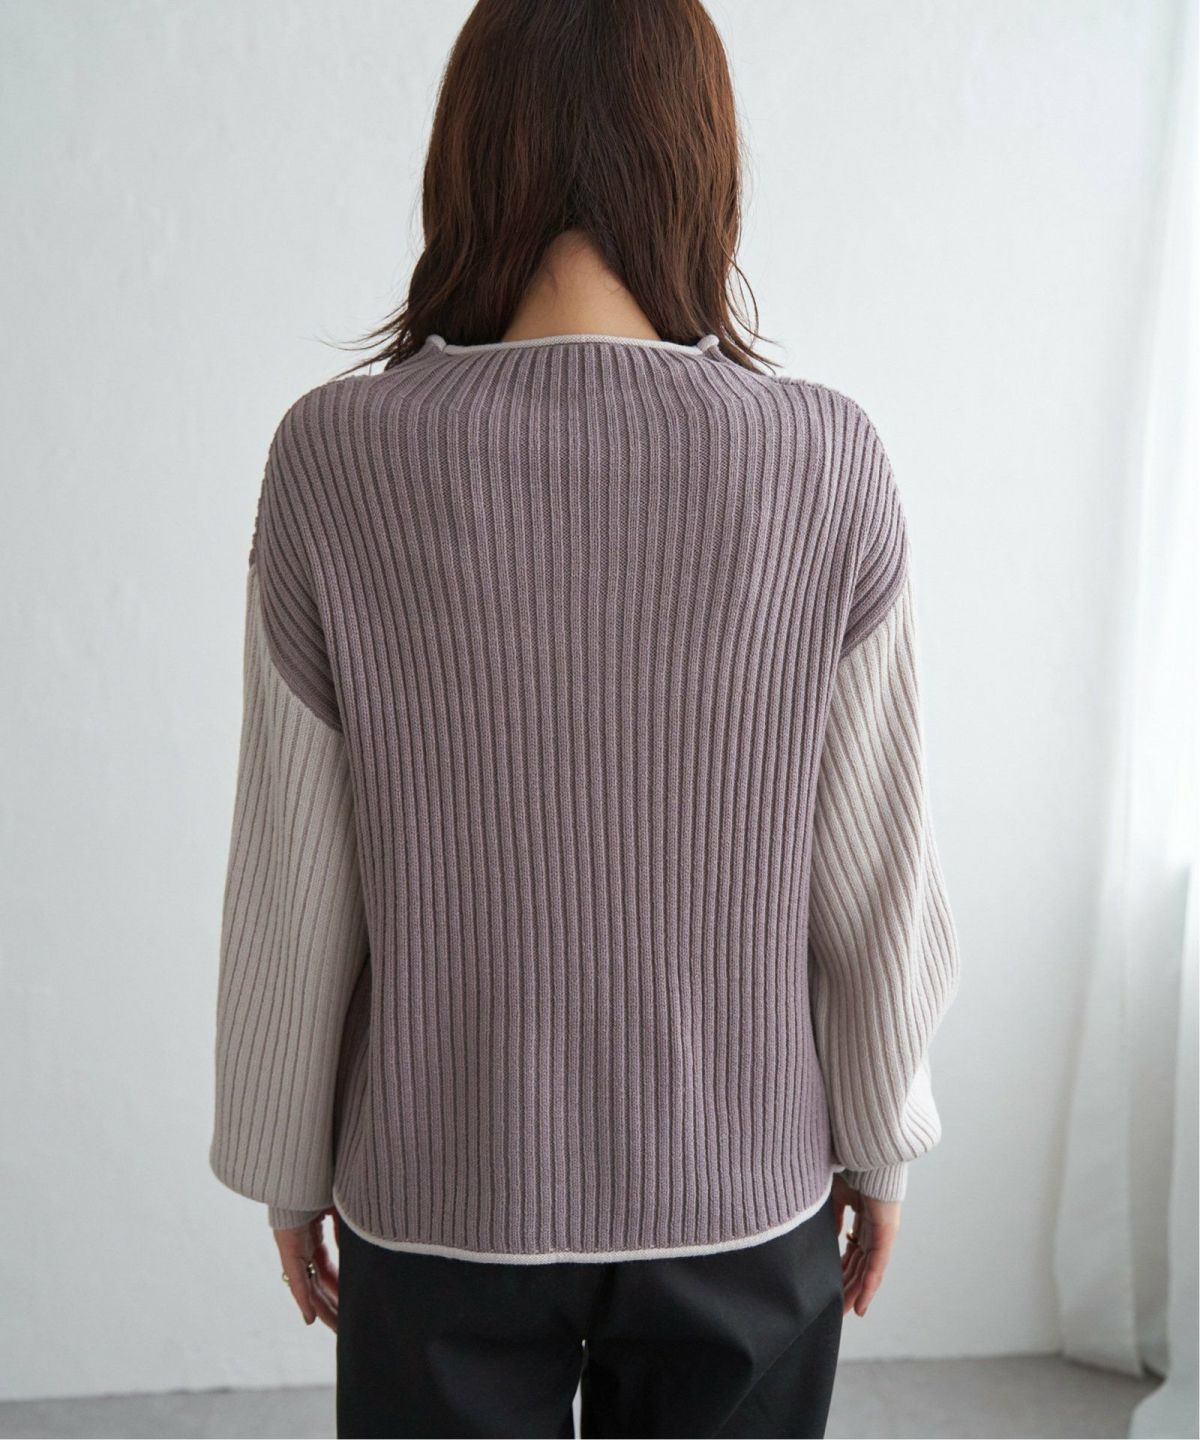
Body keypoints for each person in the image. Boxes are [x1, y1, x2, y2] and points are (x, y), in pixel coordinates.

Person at [208, 0, 961, 1435]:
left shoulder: (333, 457)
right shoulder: (825, 459)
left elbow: (294, 869)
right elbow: (877, 866)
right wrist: (882, 1141)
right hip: (742, 1194)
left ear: (468, 154)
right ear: (699, 164)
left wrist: (285, 1160)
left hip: (440, 1191)